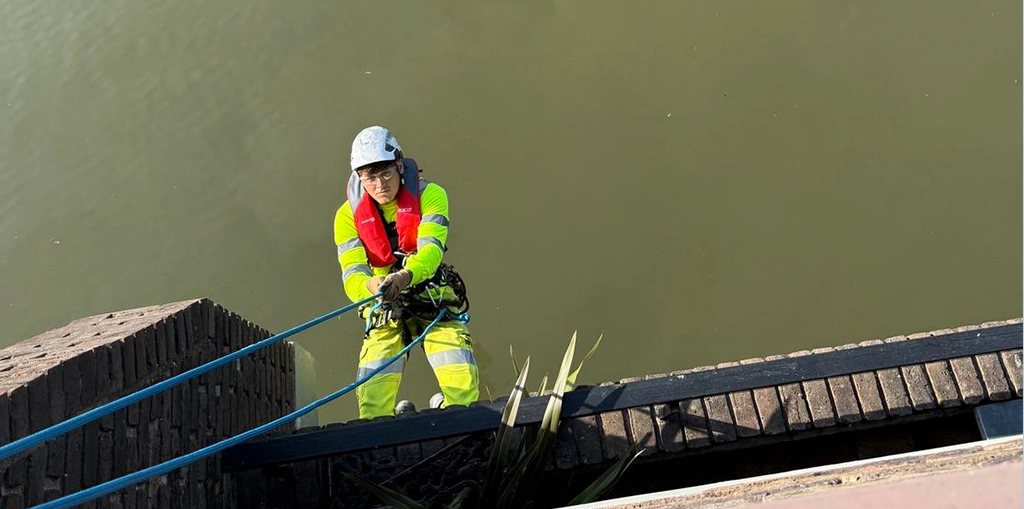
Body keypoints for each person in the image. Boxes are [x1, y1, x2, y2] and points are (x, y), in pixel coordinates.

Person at [334, 125, 479, 419]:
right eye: (369, 177)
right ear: (359, 178)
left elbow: (431, 250)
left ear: (399, 165)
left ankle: (451, 417)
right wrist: (373, 286)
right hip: (384, 306)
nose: (379, 185)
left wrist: (404, 276)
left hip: (431, 298)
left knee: (462, 390)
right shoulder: (345, 217)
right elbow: (352, 275)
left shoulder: (432, 195)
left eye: (386, 173)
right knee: (372, 402)